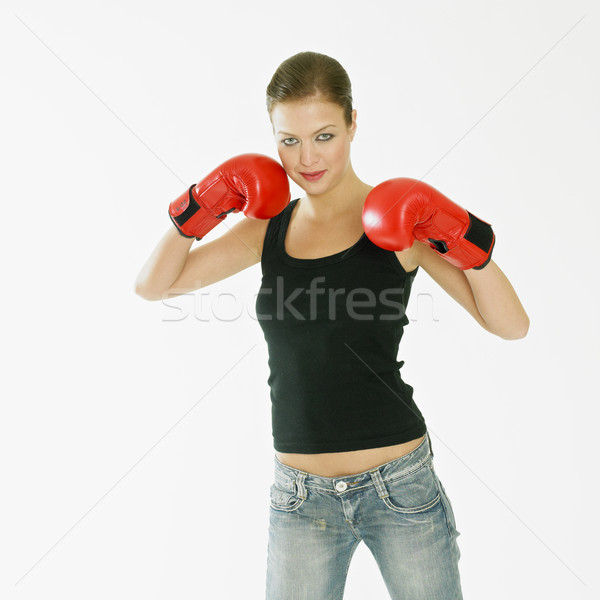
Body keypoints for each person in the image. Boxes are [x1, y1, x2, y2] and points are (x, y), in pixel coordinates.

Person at [135, 51, 529, 600]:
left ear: (352, 124)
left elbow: (510, 325)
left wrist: (468, 241)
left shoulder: (402, 223)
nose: (306, 158)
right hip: (298, 498)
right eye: (288, 140)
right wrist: (199, 207)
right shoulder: (268, 229)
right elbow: (155, 285)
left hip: (400, 485)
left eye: (323, 136)